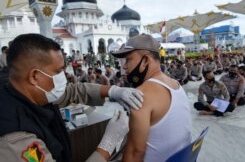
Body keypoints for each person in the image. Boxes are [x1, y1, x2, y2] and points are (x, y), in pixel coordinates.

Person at [0, 33, 144, 162]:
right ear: (34, 76)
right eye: (58, 72)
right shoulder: (16, 139)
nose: (64, 77)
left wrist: (113, 91)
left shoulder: (29, 90)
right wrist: (107, 144)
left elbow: (72, 92)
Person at [111, 34, 192, 162]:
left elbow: (135, 154)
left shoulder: (141, 95)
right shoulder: (176, 85)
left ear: (146, 61)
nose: (124, 66)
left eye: (128, 60)